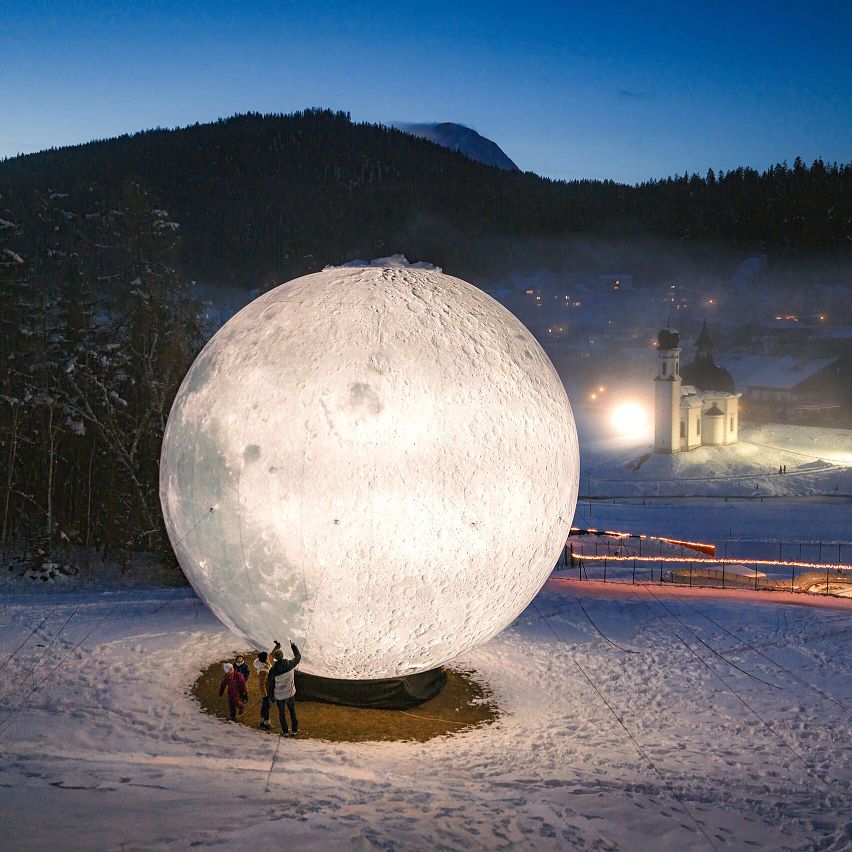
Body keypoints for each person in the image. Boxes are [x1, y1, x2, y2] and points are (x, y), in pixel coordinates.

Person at [268, 640, 301, 736]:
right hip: (290, 693)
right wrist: (293, 646)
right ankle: (294, 730)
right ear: (282, 656)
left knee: (282, 713)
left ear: (275, 658)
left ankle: (285, 731)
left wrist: (271, 696)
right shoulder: (290, 664)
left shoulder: (273, 670)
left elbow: (271, 684)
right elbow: (298, 657)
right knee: (292, 711)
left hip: (279, 695)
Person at [253, 642, 281, 730]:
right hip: (266, 690)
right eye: (266, 657)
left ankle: (263, 722)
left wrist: (277, 646)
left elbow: (271, 655)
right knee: (266, 705)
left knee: (265, 706)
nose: (268, 658)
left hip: (268, 688)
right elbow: (261, 684)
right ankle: (266, 723)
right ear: (264, 659)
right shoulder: (263, 671)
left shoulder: (266, 662)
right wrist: (265, 695)